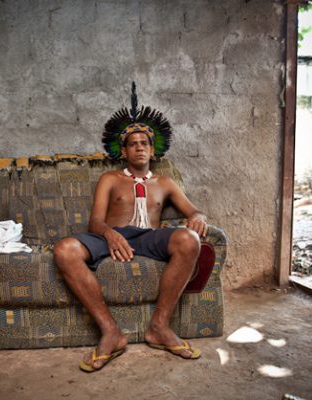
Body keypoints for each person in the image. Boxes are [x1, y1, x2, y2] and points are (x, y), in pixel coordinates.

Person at [53, 84, 208, 373]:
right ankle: (111, 332)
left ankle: (159, 328)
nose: (140, 147)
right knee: (64, 250)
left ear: (153, 149)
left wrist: (199, 217)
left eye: (144, 143)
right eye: (133, 144)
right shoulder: (110, 178)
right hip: (114, 235)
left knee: (189, 240)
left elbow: (193, 210)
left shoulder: (165, 183)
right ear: (124, 151)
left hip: (150, 238)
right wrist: (110, 234)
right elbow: (95, 222)